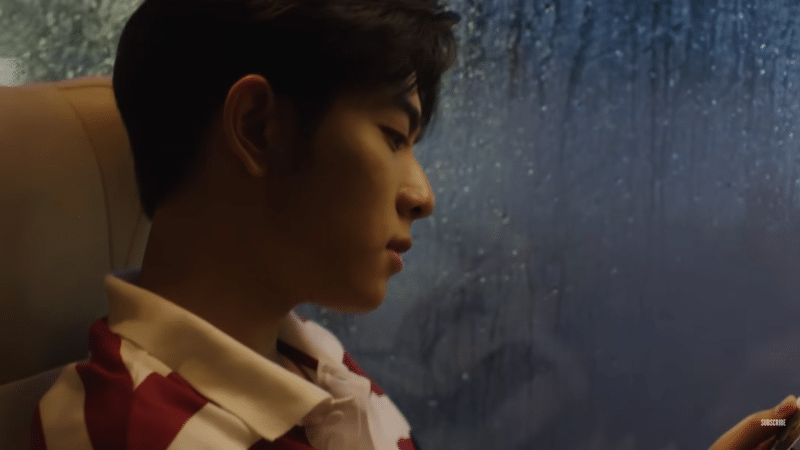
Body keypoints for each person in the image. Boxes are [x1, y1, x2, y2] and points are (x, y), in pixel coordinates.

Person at [26, 0, 800, 449]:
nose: (422, 194)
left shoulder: (311, 361)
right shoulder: (148, 430)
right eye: (394, 135)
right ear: (258, 128)